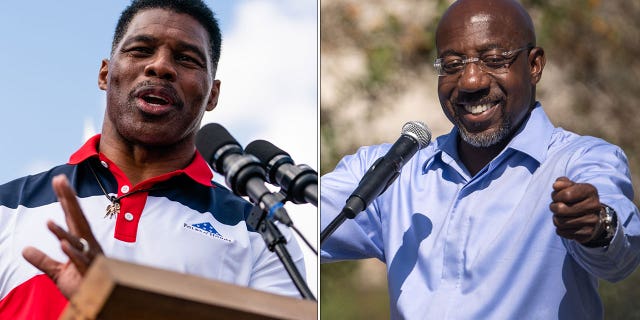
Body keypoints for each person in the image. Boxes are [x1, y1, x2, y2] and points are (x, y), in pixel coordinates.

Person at [320, 0, 640, 319]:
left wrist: (598, 227)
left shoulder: (580, 161)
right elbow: (294, 221)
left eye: (494, 60)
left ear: (534, 66)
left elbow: (620, 259)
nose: (471, 81)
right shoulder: (394, 173)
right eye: (453, 65)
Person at [0, 0, 306, 318]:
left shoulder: (261, 235)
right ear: (105, 73)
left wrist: (111, 304)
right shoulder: (7, 209)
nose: (160, 66)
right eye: (141, 50)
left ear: (212, 95)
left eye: (186, 59)